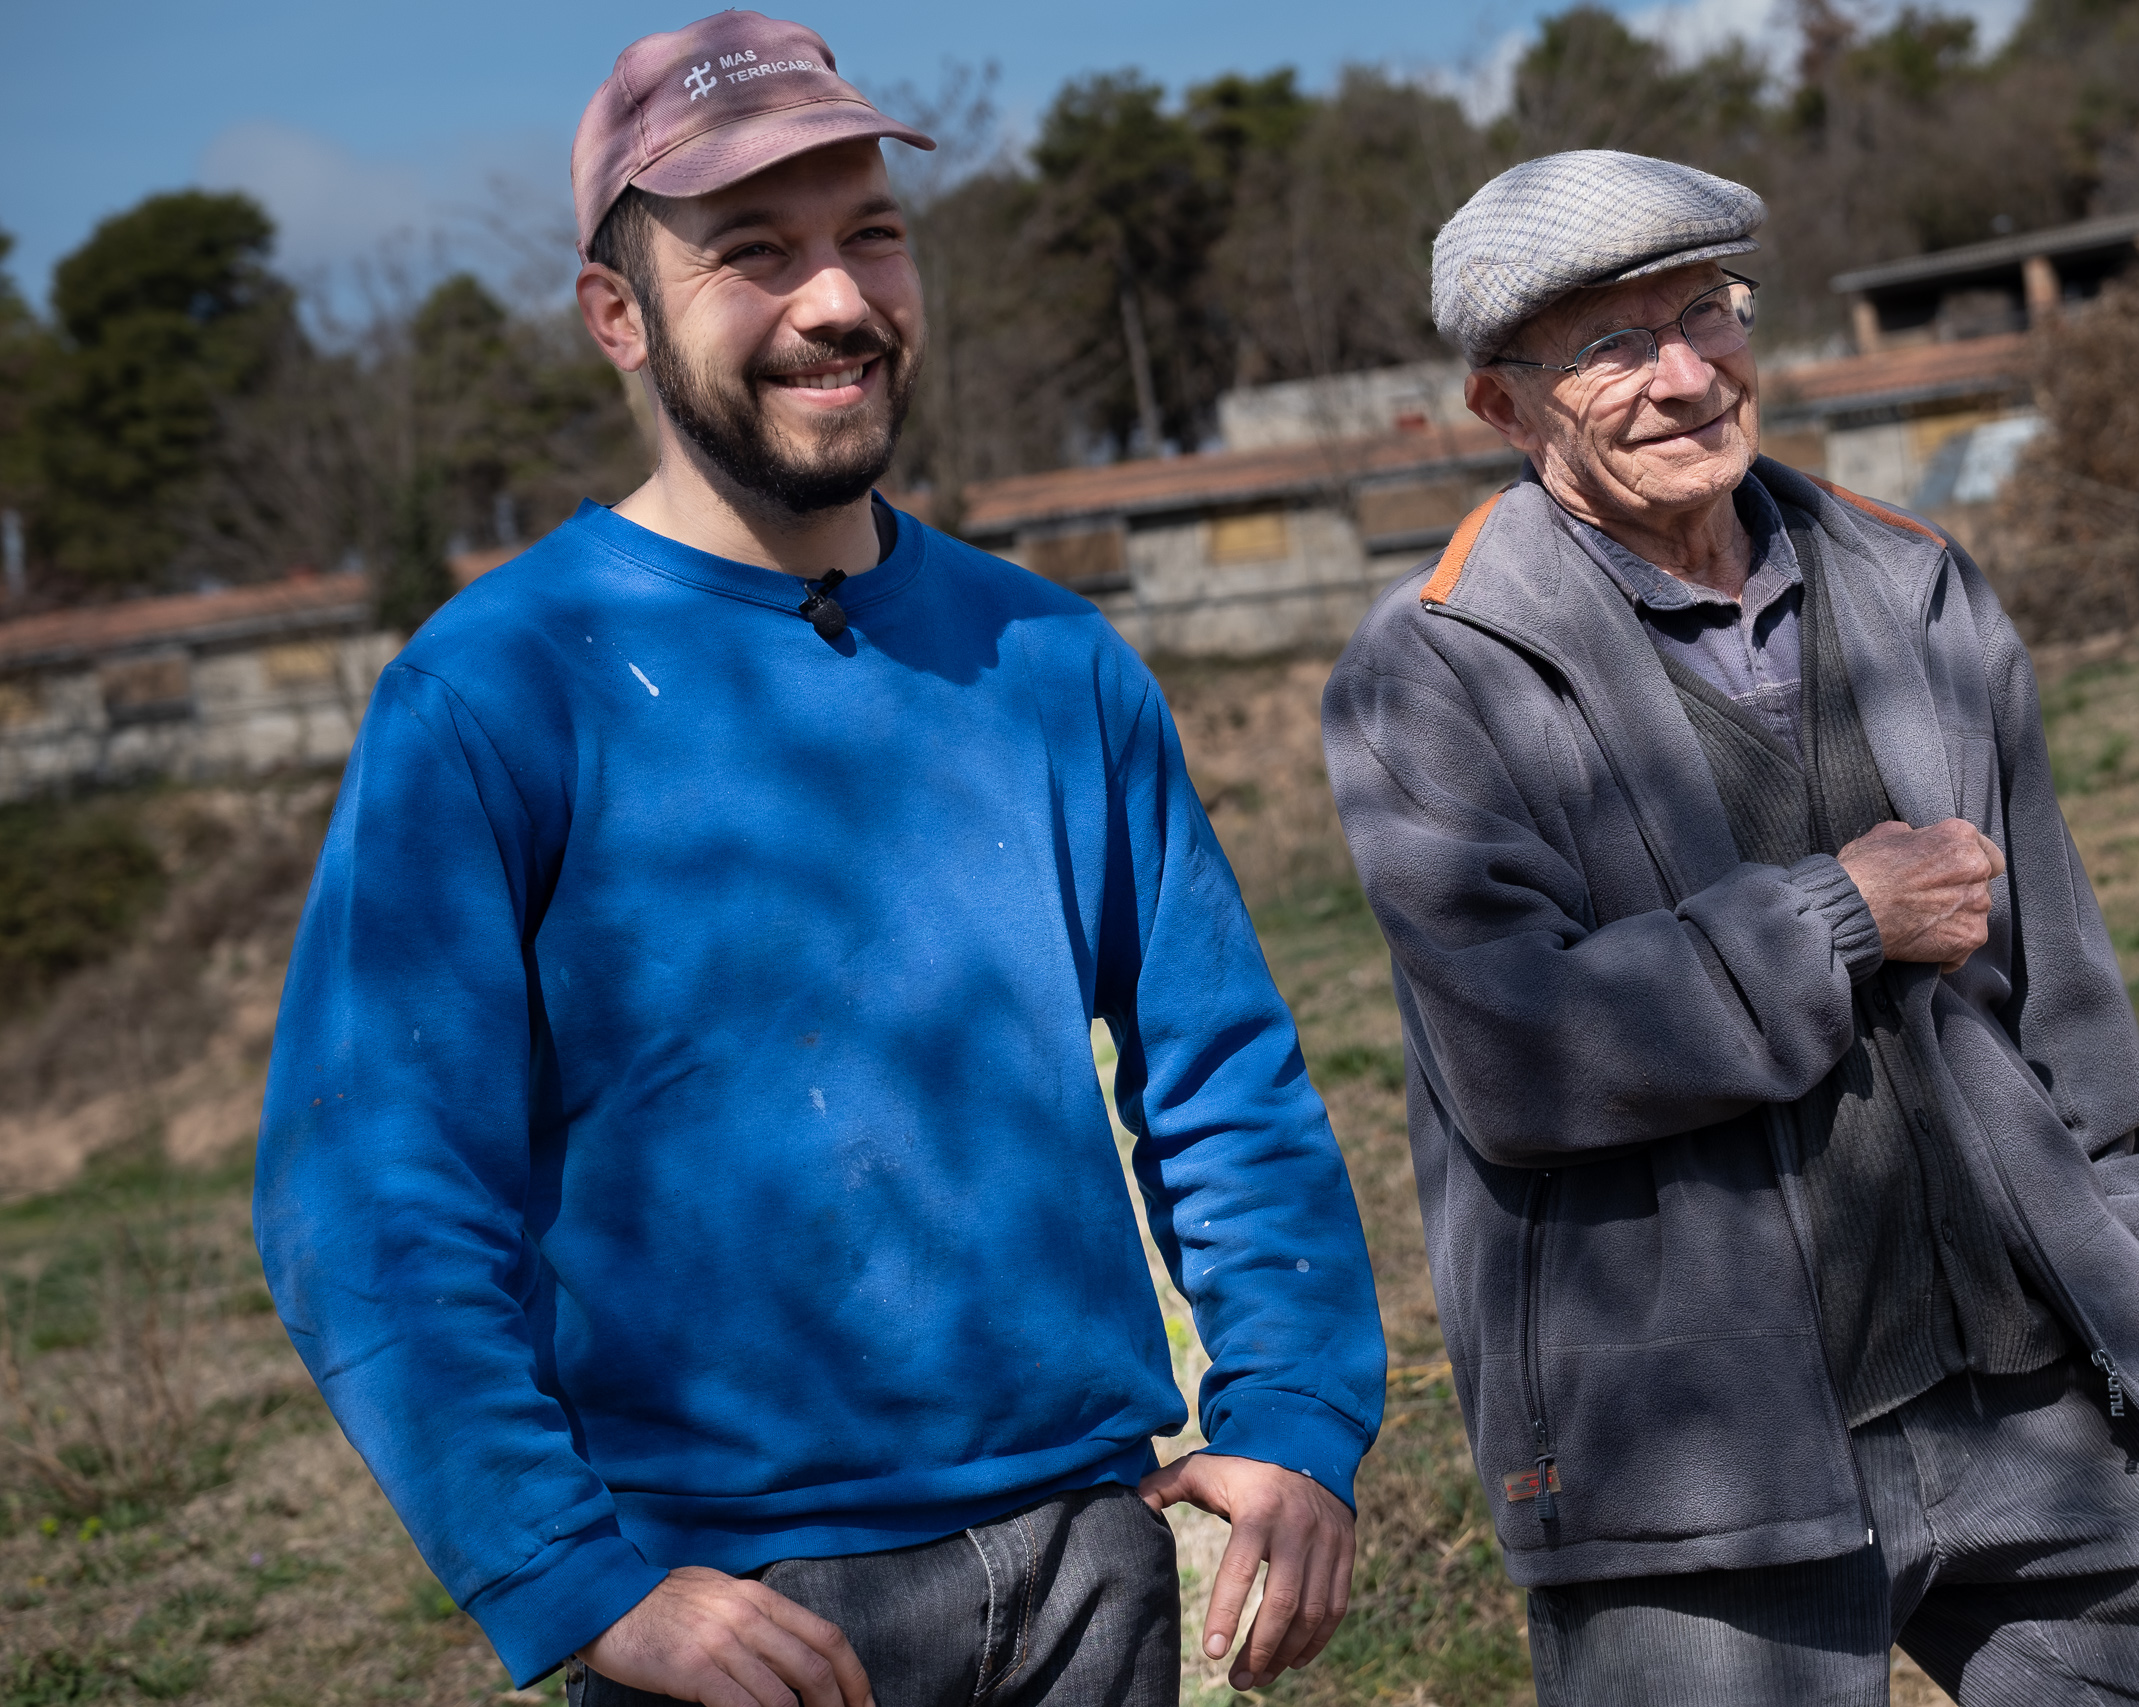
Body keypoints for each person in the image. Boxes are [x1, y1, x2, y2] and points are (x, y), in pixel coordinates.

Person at [254, 14, 1385, 1706]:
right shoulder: (494, 695)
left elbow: (1223, 1073)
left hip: (1095, 1563)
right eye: (754, 255)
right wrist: (578, 1582)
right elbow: (373, 1196)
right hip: (733, 1611)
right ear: (617, 314)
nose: (839, 302)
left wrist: (1295, 1410)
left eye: (870, 235)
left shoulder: (1054, 661)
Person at [1320, 150, 2139, 1705]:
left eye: (1708, 311)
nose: (1687, 375)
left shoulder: (1915, 588)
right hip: (1693, 1450)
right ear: (1504, 407)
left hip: (2026, 1392)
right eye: (1614, 346)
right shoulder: (1437, 671)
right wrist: (1844, 915)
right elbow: (1522, 1055)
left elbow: (2061, 996)